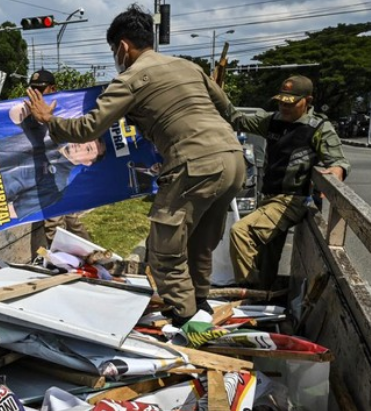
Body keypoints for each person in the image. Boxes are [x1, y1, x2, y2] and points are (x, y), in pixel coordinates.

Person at [25, 4, 245, 326]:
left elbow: (88, 128)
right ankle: (201, 305)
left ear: (124, 47)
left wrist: (48, 119)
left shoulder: (129, 80)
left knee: (165, 252)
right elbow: (227, 109)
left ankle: (189, 324)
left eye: (115, 51)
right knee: (200, 244)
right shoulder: (189, 66)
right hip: (233, 160)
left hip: (194, 165)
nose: (116, 58)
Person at [225, 75, 351, 288]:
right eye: (281, 101)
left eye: (290, 103)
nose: (284, 107)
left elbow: (339, 161)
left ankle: (248, 290)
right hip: (269, 198)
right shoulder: (272, 121)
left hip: (292, 199)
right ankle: (263, 291)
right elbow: (238, 120)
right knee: (268, 254)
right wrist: (214, 92)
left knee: (241, 231)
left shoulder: (318, 127)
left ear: (307, 101)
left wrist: (335, 173)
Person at [26, 69, 93, 243]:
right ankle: (61, 261)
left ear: (53, 89)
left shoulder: (66, 110)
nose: (36, 94)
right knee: (54, 222)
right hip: (45, 173)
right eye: (33, 89)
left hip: (66, 171)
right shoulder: (28, 111)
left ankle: (93, 257)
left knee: (72, 221)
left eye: (41, 90)